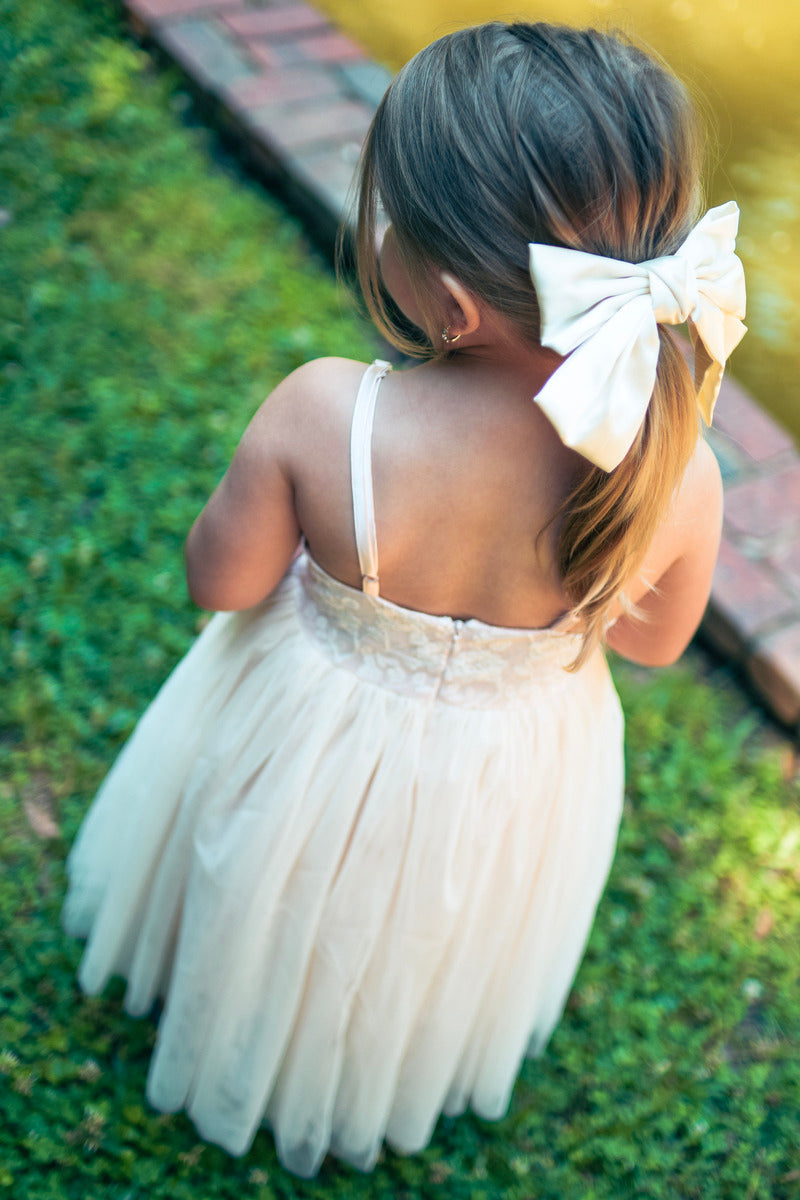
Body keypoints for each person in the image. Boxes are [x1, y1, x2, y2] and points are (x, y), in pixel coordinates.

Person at [62, 21, 745, 1179]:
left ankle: (228, 1011)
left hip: (308, 728)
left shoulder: (327, 413)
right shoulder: (679, 471)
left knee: (267, 868)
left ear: (450, 303)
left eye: (388, 219)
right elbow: (651, 639)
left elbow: (216, 580)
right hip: (518, 765)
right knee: (438, 919)